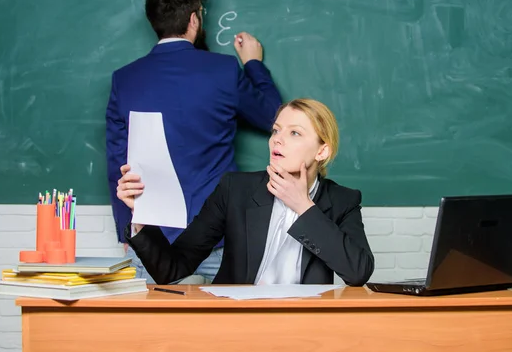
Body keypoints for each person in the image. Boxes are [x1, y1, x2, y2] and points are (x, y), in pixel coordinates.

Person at [106, 0, 282, 284]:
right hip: (218, 239)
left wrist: (128, 229)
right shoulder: (225, 71)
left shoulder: (124, 79)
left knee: (152, 333)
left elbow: (115, 163)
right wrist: (253, 64)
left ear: (154, 22)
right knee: (225, 331)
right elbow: (274, 117)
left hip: (151, 239)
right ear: (194, 19)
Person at [117, 99, 375, 286]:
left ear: (322, 152)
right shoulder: (235, 189)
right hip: (237, 322)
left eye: (294, 133)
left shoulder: (343, 200)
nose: (277, 139)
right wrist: (141, 214)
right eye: (276, 130)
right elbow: (172, 269)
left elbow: (358, 272)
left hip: (303, 325)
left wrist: (303, 207)